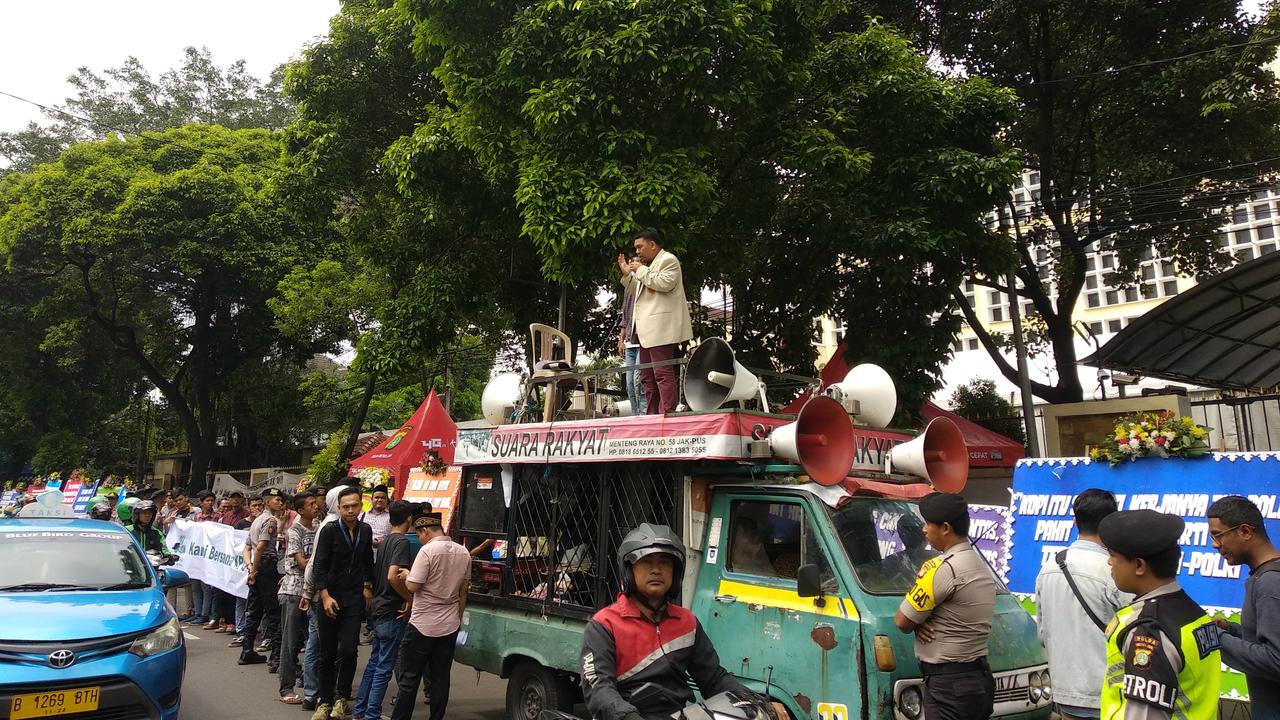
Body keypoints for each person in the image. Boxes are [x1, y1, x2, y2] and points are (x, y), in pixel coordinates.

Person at [581, 524, 783, 720]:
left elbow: (714, 679)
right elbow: (599, 690)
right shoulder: (604, 625)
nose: (656, 570)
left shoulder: (686, 622)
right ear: (629, 570)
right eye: (646, 562)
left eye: (665, 563)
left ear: (675, 572)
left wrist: (758, 702)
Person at [1098, 509, 1221, 719]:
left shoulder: (1147, 630)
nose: (1109, 562)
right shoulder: (1192, 612)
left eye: (1113, 555)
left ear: (1139, 565)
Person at [893, 492, 996, 720]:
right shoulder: (979, 565)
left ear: (946, 528)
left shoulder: (941, 568)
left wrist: (916, 623)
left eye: (928, 524)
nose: (924, 530)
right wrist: (921, 622)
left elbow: (902, 621)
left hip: (949, 687)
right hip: (978, 680)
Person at [1034, 489, 1132, 719]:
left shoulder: (1048, 569)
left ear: (1075, 520)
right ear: (1111, 521)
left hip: (1065, 692)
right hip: (1110, 694)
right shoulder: (1113, 570)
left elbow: (1042, 633)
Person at [389, 512, 470, 720]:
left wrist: (408, 576)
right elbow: (463, 592)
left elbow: (414, 586)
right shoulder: (463, 552)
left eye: (419, 534)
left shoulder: (427, 552)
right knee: (441, 678)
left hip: (422, 624)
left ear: (425, 531)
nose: (420, 538)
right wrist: (457, 619)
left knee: (409, 680)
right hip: (449, 625)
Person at [1207, 496, 1280, 714]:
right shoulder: (1265, 577)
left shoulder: (1270, 584)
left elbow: (1276, 659)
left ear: (1245, 532)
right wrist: (1232, 631)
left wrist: (1216, 639)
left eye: (1218, 535)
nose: (1215, 545)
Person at [310, 486, 375, 720]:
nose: (350, 511)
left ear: (360, 506)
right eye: (345, 507)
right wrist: (324, 596)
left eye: (354, 506)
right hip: (329, 598)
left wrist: (368, 587)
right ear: (338, 507)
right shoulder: (329, 531)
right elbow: (319, 566)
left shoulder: (365, 530)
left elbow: (368, 561)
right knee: (326, 653)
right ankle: (324, 701)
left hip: (355, 599)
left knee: (349, 650)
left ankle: (341, 699)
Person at [616, 228, 693, 415]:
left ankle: (667, 413)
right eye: (636, 248)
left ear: (652, 245)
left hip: (662, 329)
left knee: (661, 373)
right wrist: (627, 275)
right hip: (646, 331)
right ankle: (651, 415)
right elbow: (640, 291)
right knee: (647, 377)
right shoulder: (648, 267)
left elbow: (663, 284)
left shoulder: (668, 260)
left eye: (640, 247)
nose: (637, 252)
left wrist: (640, 270)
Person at [353, 500, 415, 720]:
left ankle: (360, 711)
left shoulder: (386, 541)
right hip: (391, 610)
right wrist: (408, 598)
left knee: (375, 662)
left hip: (379, 608)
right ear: (409, 519)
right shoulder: (402, 542)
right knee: (384, 667)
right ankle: (371, 714)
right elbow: (393, 575)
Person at [278, 491, 320, 705]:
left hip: (313, 591)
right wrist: (321, 564)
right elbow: (303, 562)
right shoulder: (295, 530)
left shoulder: (320, 526)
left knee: (313, 641)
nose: (315, 506)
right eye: (311, 504)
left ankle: (312, 683)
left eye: (316, 502)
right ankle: (286, 686)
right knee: (291, 641)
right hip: (294, 590)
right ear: (301, 510)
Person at [240, 488, 286, 668]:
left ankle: (247, 650)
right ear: (267, 502)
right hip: (265, 566)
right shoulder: (269, 520)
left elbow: (247, 548)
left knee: (254, 610)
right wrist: (255, 569)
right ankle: (275, 657)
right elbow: (260, 547)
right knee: (273, 611)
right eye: (277, 500)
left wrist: (250, 566)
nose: (280, 503)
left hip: (257, 565)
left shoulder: (257, 520)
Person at [616, 255, 646, 415]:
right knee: (629, 384)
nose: (632, 264)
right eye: (630, 261)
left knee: (638, 382)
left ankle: (644, 416)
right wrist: (621, 340)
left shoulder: (646, 283)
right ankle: (635, 416)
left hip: (643, 340)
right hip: (630, 342)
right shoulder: (629, 287)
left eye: (636, 261)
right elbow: (625, 316)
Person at [361, 485, 391, 553]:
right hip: (364, 555)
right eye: (377, 497)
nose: (379, 500)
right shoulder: (362, 516)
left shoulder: (391, 518)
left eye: (383, 498)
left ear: (387, 500)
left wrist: (384, 542)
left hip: (384, 555)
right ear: (371, 499)